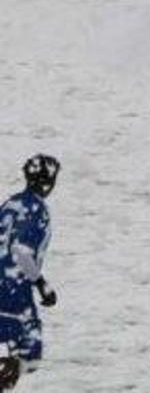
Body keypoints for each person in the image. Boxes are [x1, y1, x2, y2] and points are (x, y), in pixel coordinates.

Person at [0, 155, 60, 391]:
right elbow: (21, 251)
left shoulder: (9, 205)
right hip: (14, 287)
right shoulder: (36, 210)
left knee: (13, 344)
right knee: (30, 352)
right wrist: (42, 284)